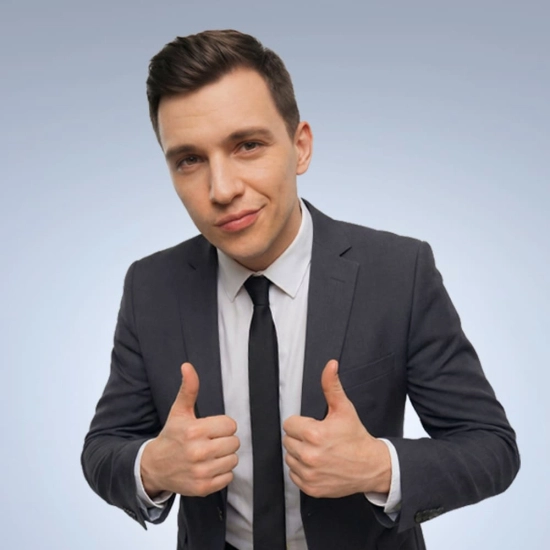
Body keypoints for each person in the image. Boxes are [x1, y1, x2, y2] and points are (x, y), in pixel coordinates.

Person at [81, 29, 520, 550]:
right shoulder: (151, 286)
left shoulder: (399, 272)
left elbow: (490, 448)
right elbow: (104, 448)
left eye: (247, 145)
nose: (222, 190)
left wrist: (378, 466)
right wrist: (152, 466)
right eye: (190, 160)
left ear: (300, 146)